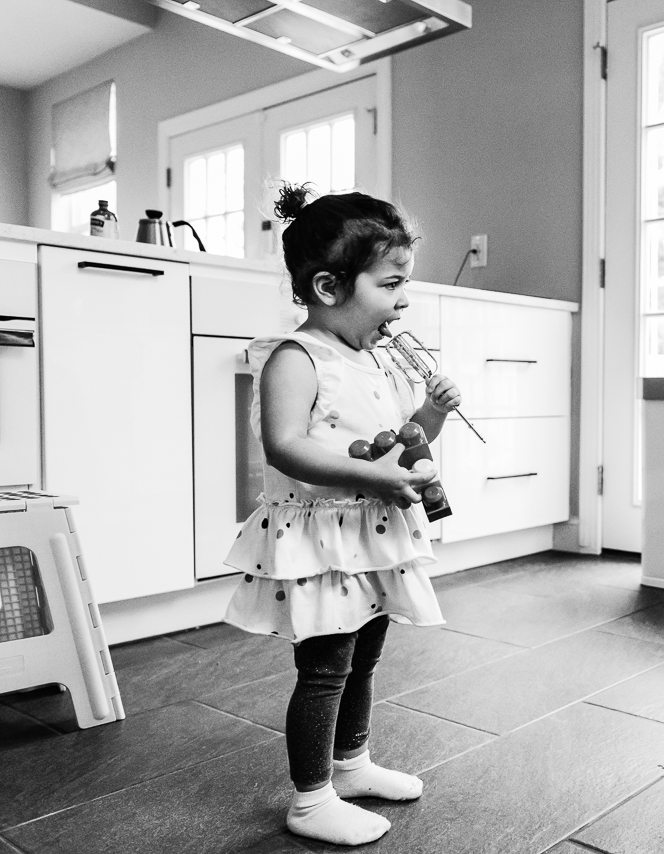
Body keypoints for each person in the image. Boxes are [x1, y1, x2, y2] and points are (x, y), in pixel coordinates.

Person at [224, 184, 459, 845]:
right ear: (329, 286)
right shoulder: (295, 358)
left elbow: (399, 440)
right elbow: (287, 445)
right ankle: (311, 797)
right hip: (322, 537)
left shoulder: (373, 359)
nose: (403, 299)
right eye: (390, 284)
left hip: (370, 533)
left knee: (365, 656)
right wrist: (371, 476)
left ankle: (351, 764)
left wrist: (431, 415)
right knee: (326, 666)